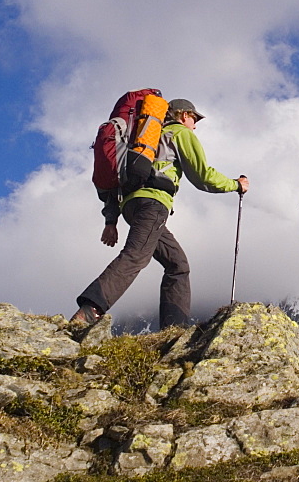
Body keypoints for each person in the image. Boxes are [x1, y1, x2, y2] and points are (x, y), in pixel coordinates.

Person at [71, 98, 248, 328]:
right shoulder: (179, 133)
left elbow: (114, 178)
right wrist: (235, 184)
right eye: (194, 119)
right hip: (153, 204)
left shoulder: (142, 140)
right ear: (183, 115)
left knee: (178, 265)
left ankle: (174, 329)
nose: (195, 125)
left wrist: (111, 220)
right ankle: (90, 309)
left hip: (131, 205)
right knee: (136, 255)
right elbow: (202, 175)